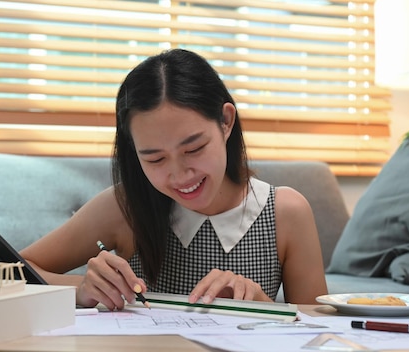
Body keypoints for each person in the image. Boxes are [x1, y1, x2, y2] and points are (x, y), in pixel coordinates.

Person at [19, 49, 327, 310]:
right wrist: (81, 288)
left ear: (226, 122)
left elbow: (320, 330)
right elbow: (6, 272)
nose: (179, 175)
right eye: (155, 158)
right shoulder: (124, 207)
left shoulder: (284, 212)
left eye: (193, 148)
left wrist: (263, 307)